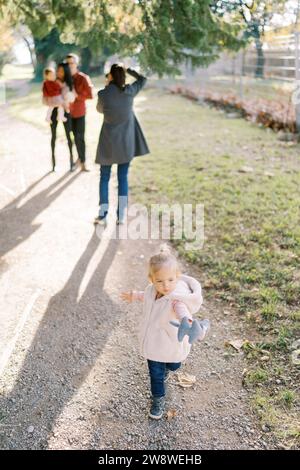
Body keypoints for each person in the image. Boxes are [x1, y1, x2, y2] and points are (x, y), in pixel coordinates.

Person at [121, 244, 210, 420]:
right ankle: (158, 399)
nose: (166, 286)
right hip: (154, 344)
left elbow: (182, 311)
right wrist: (134, 295)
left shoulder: (176, 299)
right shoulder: (151, 290)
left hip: (171, 343)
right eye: (159, 281)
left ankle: (169, 368)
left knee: (174, 365)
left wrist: (187, 321)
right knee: (155, 374)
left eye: (170, 280)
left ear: (177, 277)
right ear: (151, 279)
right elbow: (145, 295)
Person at [94, 63, 150, 225]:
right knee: (122, 178)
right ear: (123, 76)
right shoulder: (130, 92)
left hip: (108, 144)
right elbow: (143, 79)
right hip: (126, 143)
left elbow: (100, 110)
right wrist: (129, 70)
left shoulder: (103, 94)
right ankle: (121, 216)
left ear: (110, 76)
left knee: (104, 177)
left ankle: (103, 215)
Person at [42, 63, 76, 172]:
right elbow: (44, 98)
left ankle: (72, 162)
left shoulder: (68, 83)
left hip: (64, 111)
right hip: (53, 110)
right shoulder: (51, 81)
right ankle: (53, 164)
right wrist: (51, 101)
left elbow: (70, 98)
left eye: (61, 71)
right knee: (53, 136)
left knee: (68, 135)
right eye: (58, 71)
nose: (58, 73)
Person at [65, 53, 94, 172]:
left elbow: (90, 95)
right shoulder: (63, 79)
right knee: (70, 138)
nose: (69, 65)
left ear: (76, 64)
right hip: (67, 113)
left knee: (80, 137)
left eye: (72, 63)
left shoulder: (83, 78)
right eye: (67, 63)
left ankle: (83, 162)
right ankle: (73, 161)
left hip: (79, 112)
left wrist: (78, 96)